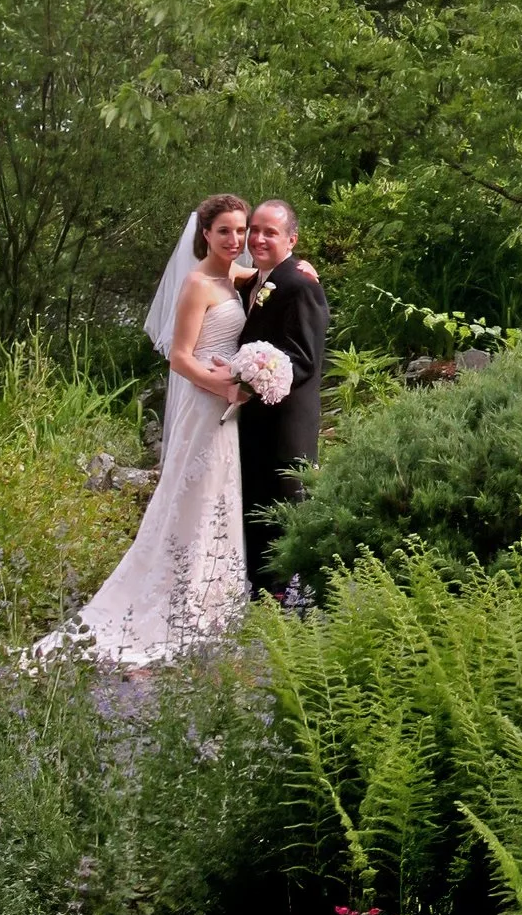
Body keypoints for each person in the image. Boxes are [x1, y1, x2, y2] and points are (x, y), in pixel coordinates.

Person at [35, 193, 255, 664]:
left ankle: (213, 598)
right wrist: (223, 385)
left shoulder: (234, 275)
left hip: (226, 402)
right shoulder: (198, 283)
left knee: (218, 492)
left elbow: (268, 274)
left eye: (241, 230)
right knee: (194, 490)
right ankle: (179, 601)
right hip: (205, 403)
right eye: (224, 231)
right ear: (205, 234)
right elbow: (179, 356)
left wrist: (301, 268)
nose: (235, 239)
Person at [236, 200, 327, 592]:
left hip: (286, 426)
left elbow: (303, 359)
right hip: (255, 423)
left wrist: (248, 375)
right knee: (258, 511)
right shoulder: (254, 282)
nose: (257, 238)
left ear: (291, 238)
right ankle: (264, 596)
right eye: (253, 229)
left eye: (269, 232)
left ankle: (294, 603)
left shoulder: (301, 284)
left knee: (286, 513)